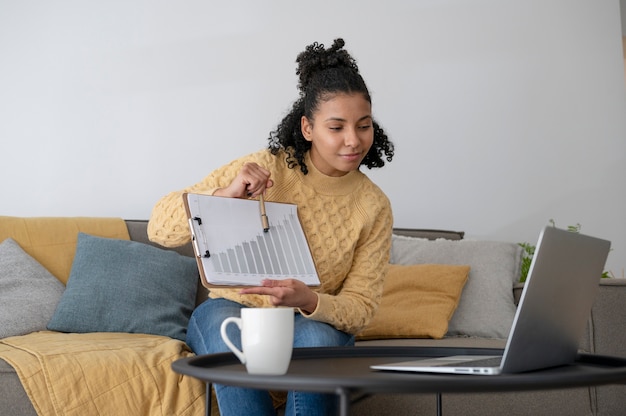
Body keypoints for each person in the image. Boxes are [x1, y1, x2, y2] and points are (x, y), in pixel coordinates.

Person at [147, 38, 395, 416]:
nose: (353, 140)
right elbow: (157, 229)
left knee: (315, 341)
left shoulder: (373, 206)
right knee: (224, 333)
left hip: (312, 320)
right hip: (230, 310)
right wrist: (222, 196)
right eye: (337, 127)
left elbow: (360, 307)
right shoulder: (265, 167)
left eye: (363, 126)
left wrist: (309, 300)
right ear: (308, 128)